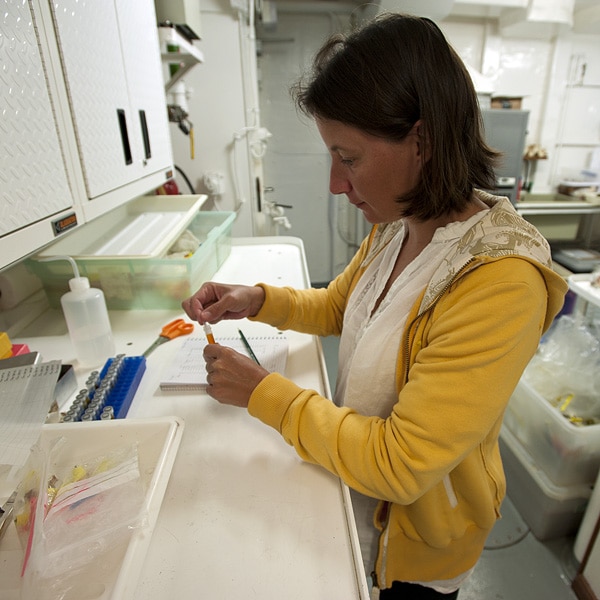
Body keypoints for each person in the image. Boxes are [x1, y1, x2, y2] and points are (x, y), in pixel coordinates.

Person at [182, 13, 567, 600]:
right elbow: (340, 307)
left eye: (350, 157)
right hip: (352, 490)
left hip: (417, 546)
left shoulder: (500, 281)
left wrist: (264, 393)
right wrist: (255, 300)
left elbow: (402, 464)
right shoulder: (399, 222)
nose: (337, 183)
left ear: (423, 140)